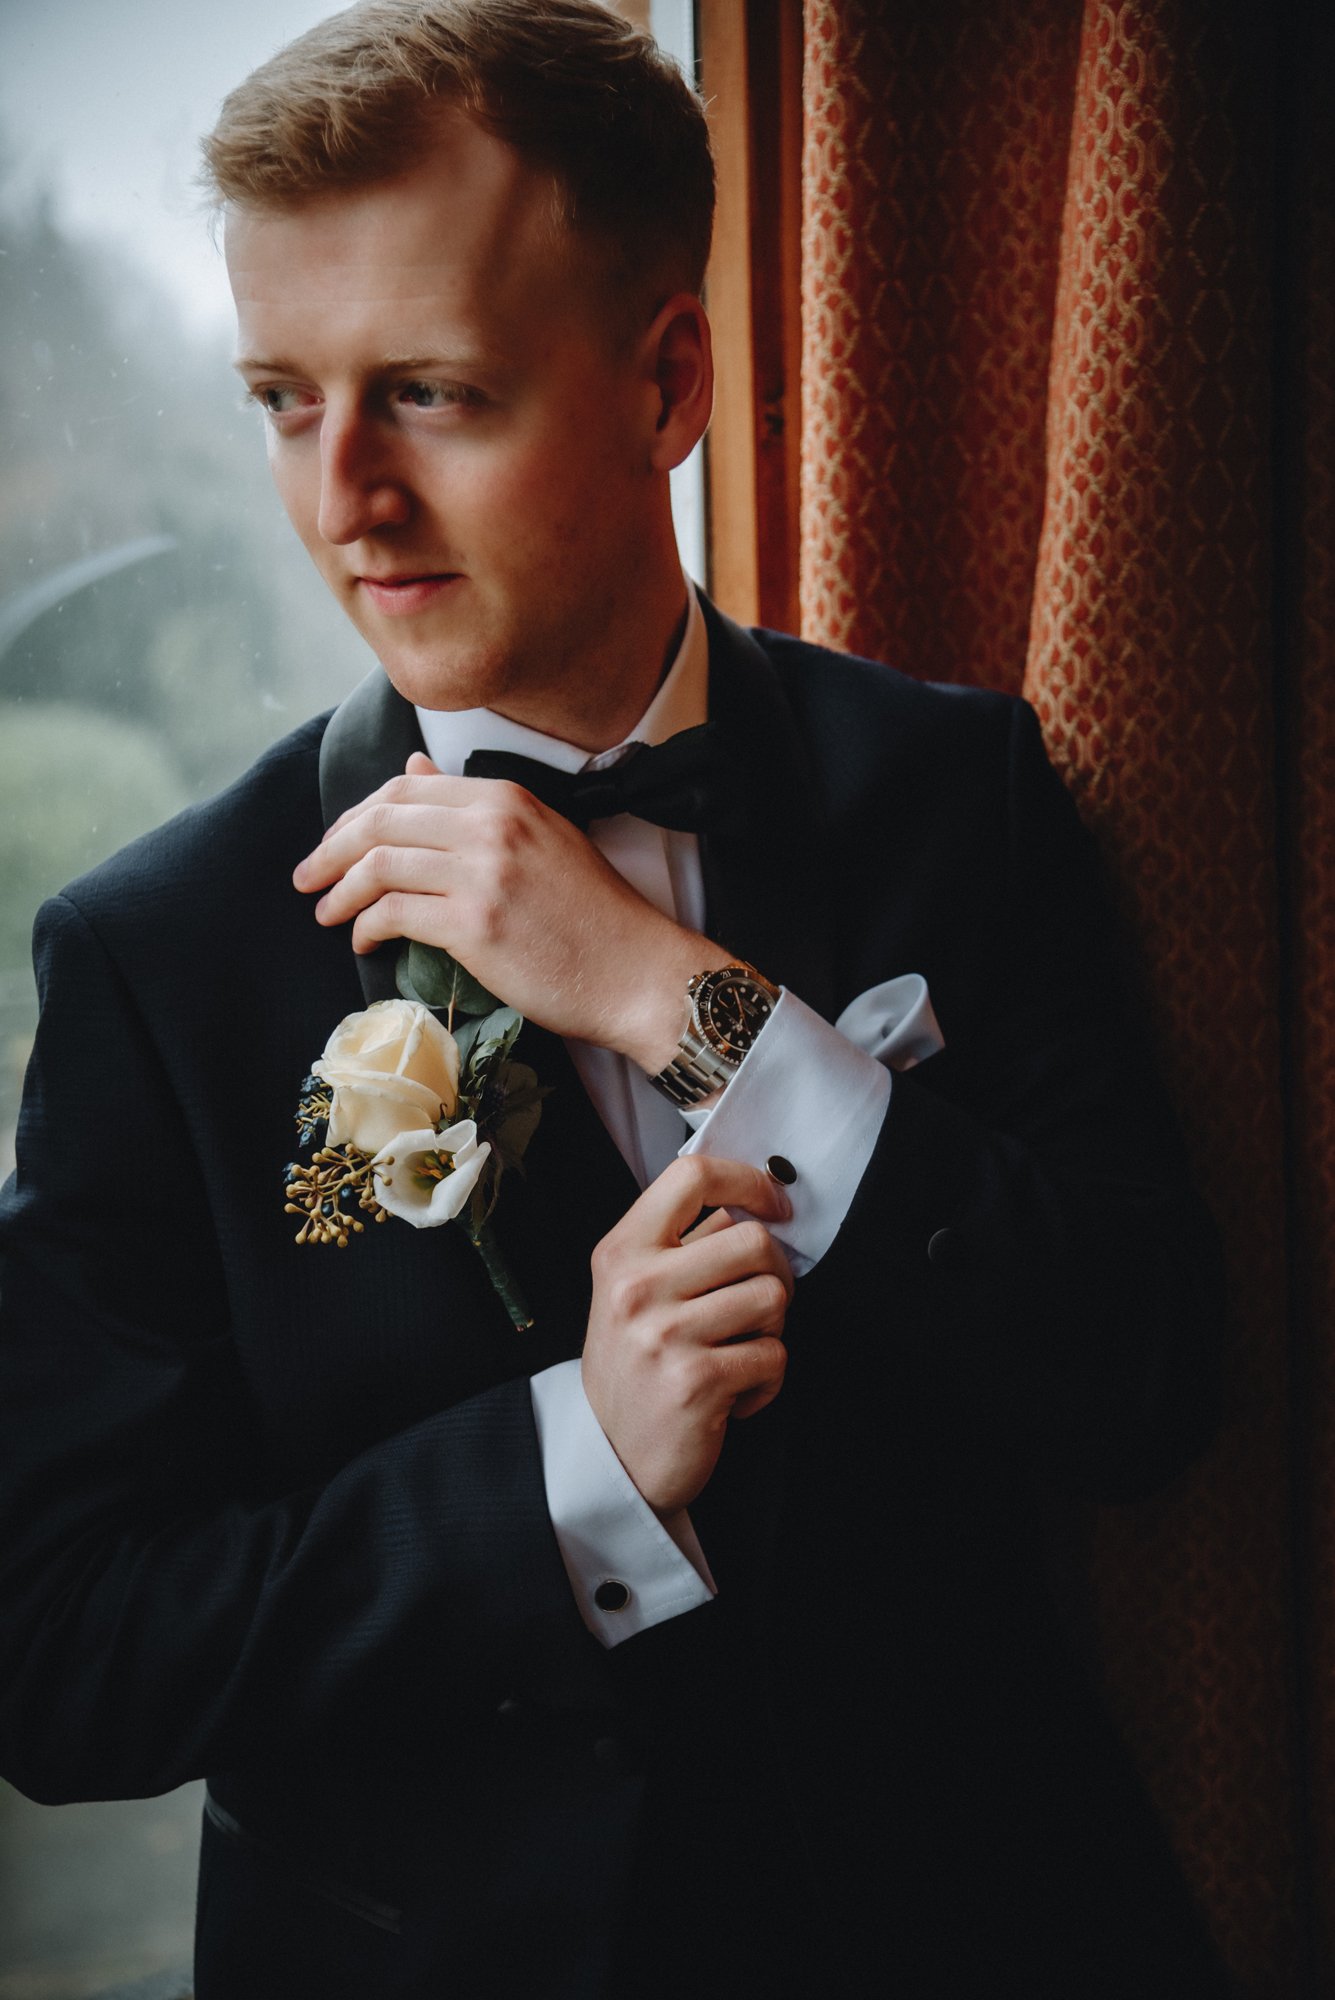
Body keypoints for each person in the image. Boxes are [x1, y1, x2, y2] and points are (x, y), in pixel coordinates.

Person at [0, 3, 1232, 1995]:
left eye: (433, 394)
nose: (342, 500)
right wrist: (573, 1462)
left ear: (667, 380)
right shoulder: (155, 955)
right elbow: (58, 1653)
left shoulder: (956, 789)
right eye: (282, 400)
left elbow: (1141, 1379)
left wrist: (679, 999)